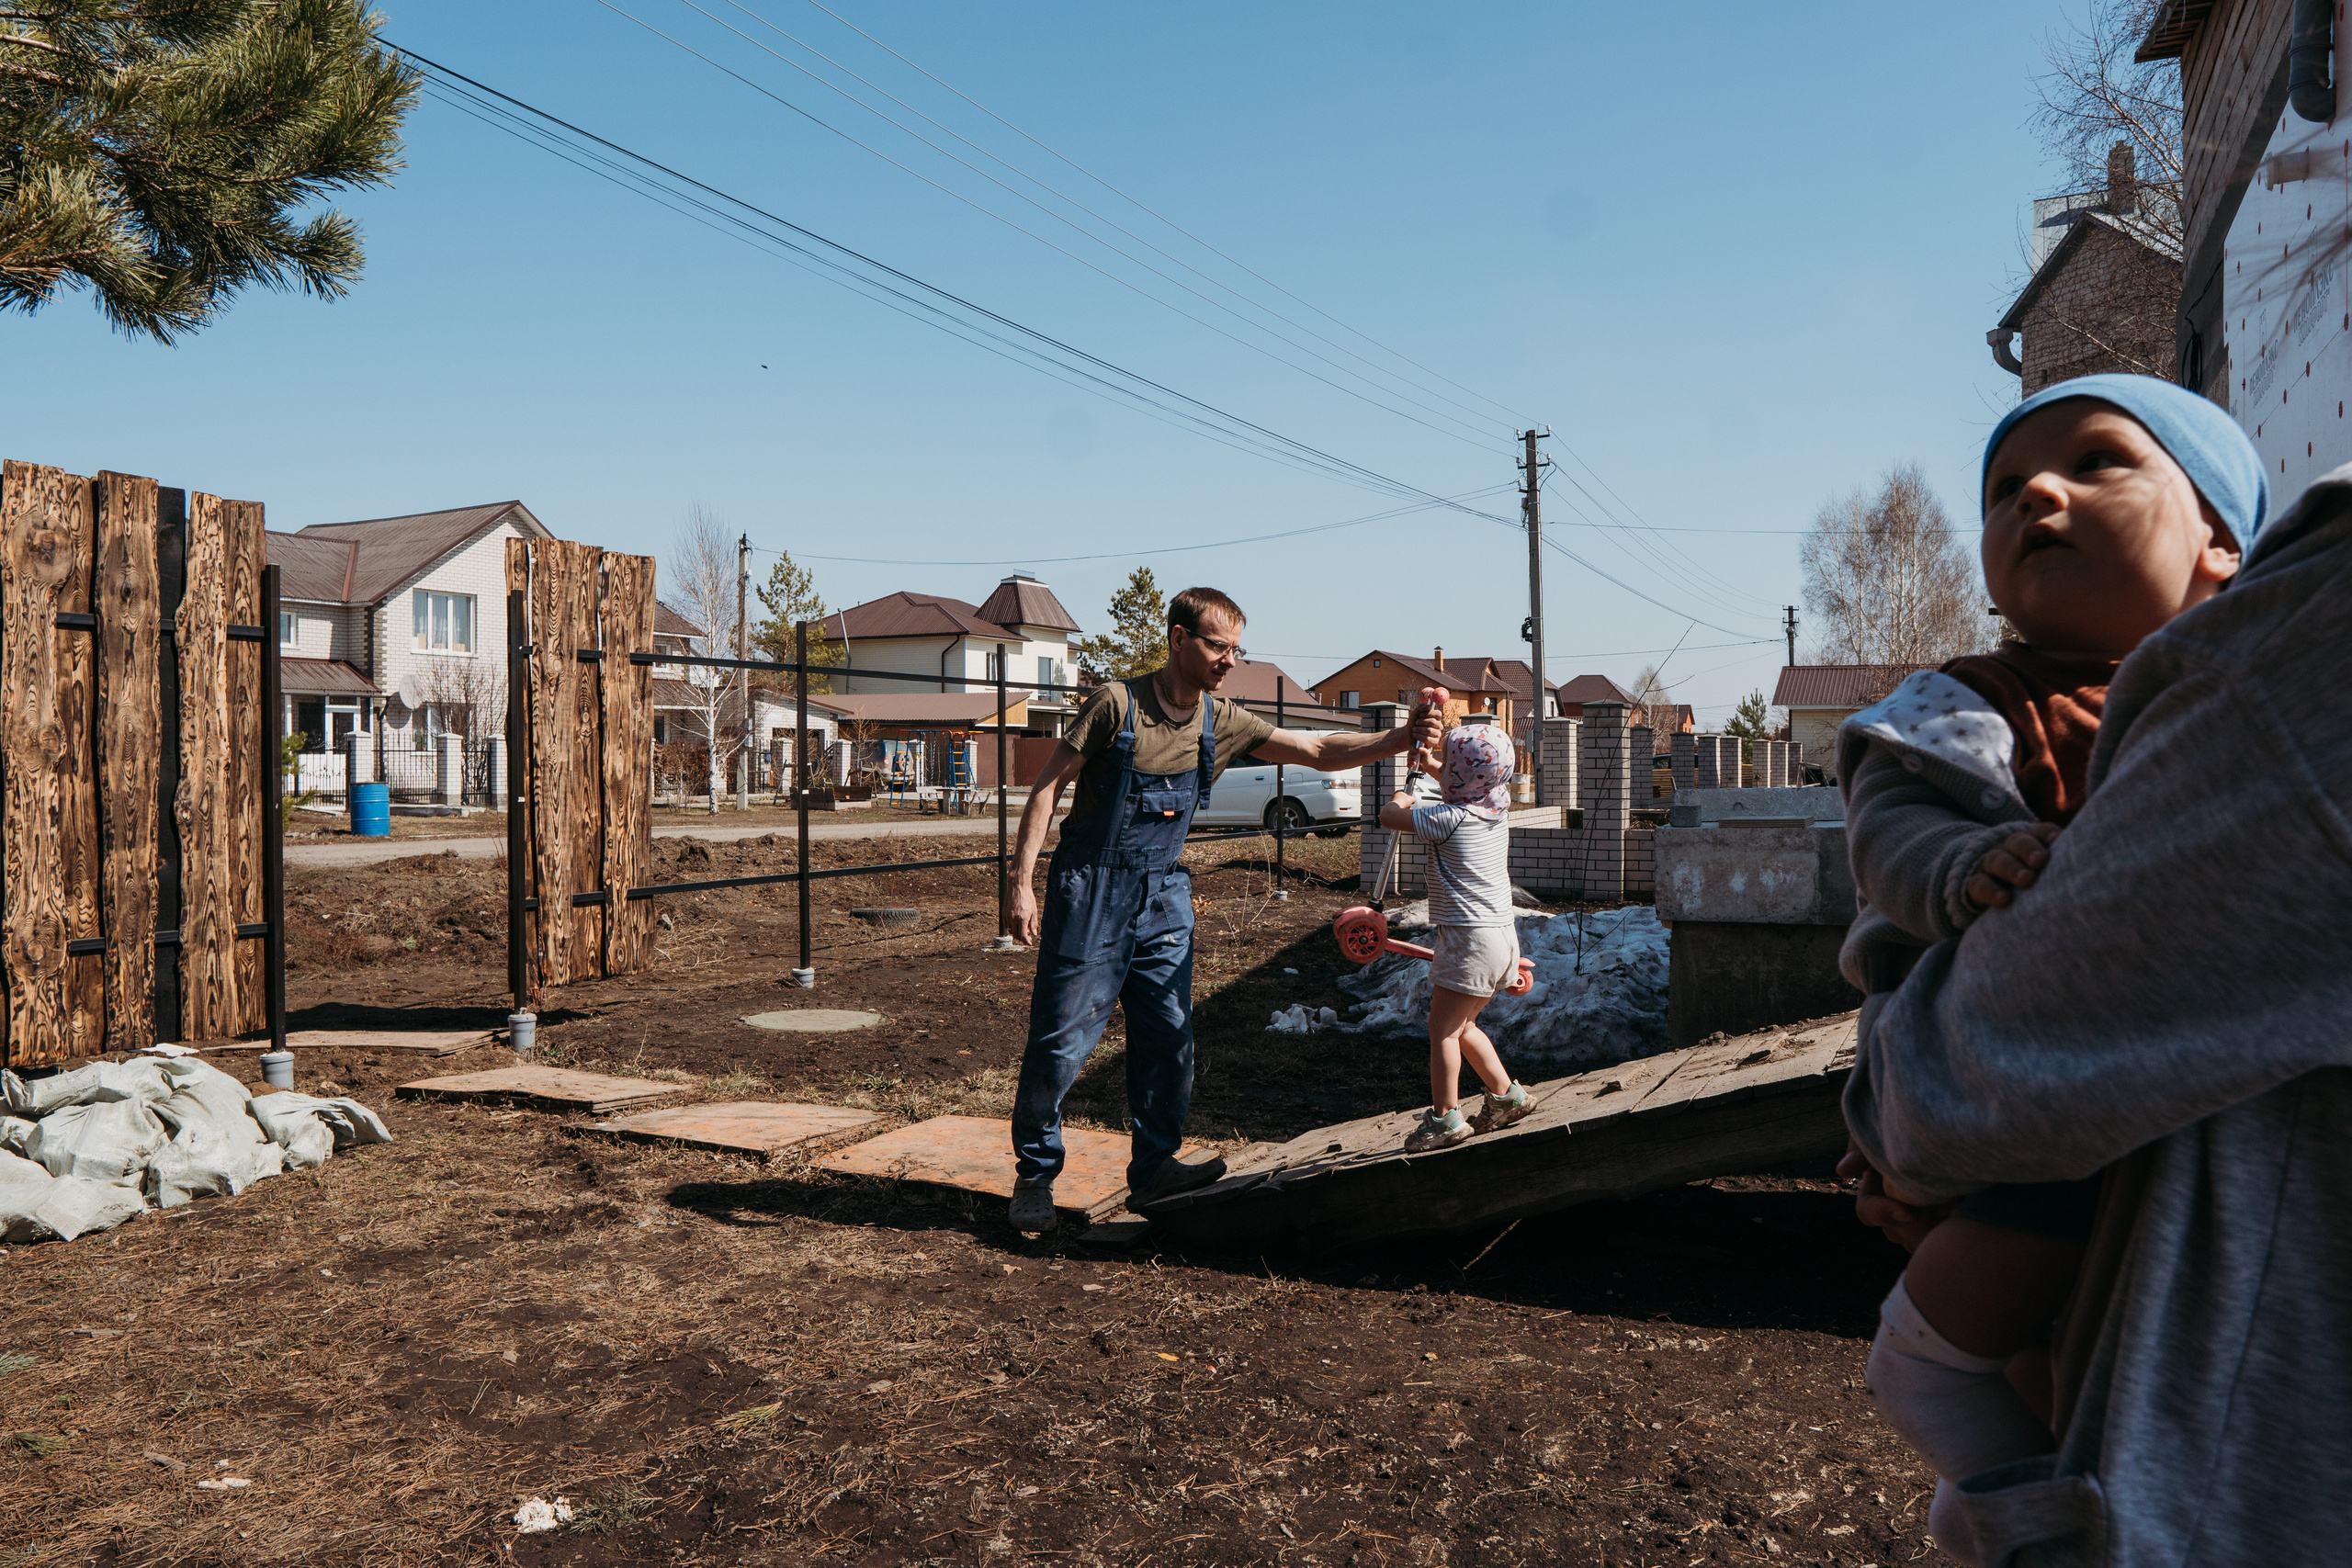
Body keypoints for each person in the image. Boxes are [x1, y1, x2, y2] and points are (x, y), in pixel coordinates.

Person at [1840, 375, 2352, 1568]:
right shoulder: (1965, 705)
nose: (2038, 493)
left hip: (2130, 1120)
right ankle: (2004, 1509)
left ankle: (2041, 1501)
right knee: (1947, 1346)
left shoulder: (2230, 695)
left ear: (2224, 544)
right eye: (2005, 488)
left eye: (2098, 461)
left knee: (2082, 1355)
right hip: (2002, 1093)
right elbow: (1885, 826)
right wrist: (1960, 866)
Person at [1002, 587, 1442, 1233]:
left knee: (1168, 1037)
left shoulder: (1221, 719)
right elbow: (1047, 789)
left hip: (1163, 896)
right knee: (1061, 1039)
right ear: (1178, 638)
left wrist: (1400, 738)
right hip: (1092, 889)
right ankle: (1035, 1177)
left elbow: (1317, 750)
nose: (1229, 660)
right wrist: (1021, 883)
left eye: (1236, 649)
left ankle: (1155, 1166)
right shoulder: (1116, 705)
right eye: (1217, 646)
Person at [1377, 705, 1534, 1152]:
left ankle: (1446, 1118)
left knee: (1442, 1031)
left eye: (1448, 762)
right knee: (1463, 1026)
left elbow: (1389, 817)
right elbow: (1463, 780)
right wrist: (1430, 763)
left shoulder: (1448, 819)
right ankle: (1506, 1096)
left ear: (1459, 777)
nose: (1443, 768)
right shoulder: (1495, 805)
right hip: (1501, 936)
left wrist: (1403, 797)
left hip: (1470, 939)